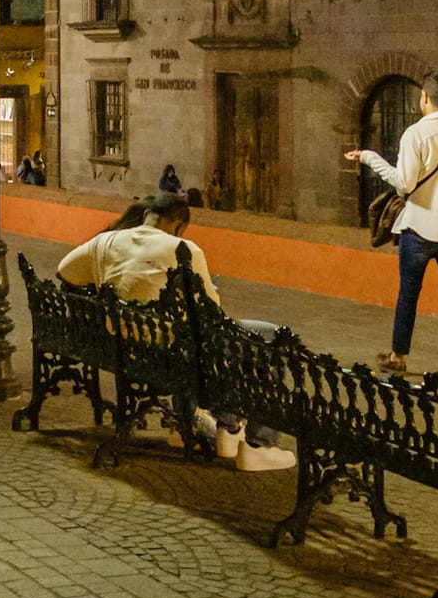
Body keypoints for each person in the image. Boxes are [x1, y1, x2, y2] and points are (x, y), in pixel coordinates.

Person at [56, 199, 296, 471]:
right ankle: (259, 446)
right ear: (179, 226)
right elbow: (211, 315)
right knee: (271, 337)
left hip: (126, 350)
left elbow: (64, 271)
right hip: (172, 356)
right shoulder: (185, 249)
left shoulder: (106, 241)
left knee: (204, 340)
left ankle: (222, 430)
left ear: (146, 216)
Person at [346, 70, 438, 388]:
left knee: (409, 293)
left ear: (425, 96)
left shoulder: (416, 133)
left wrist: (369, 158)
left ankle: (398, 356)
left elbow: (404, 183)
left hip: (420, 226)